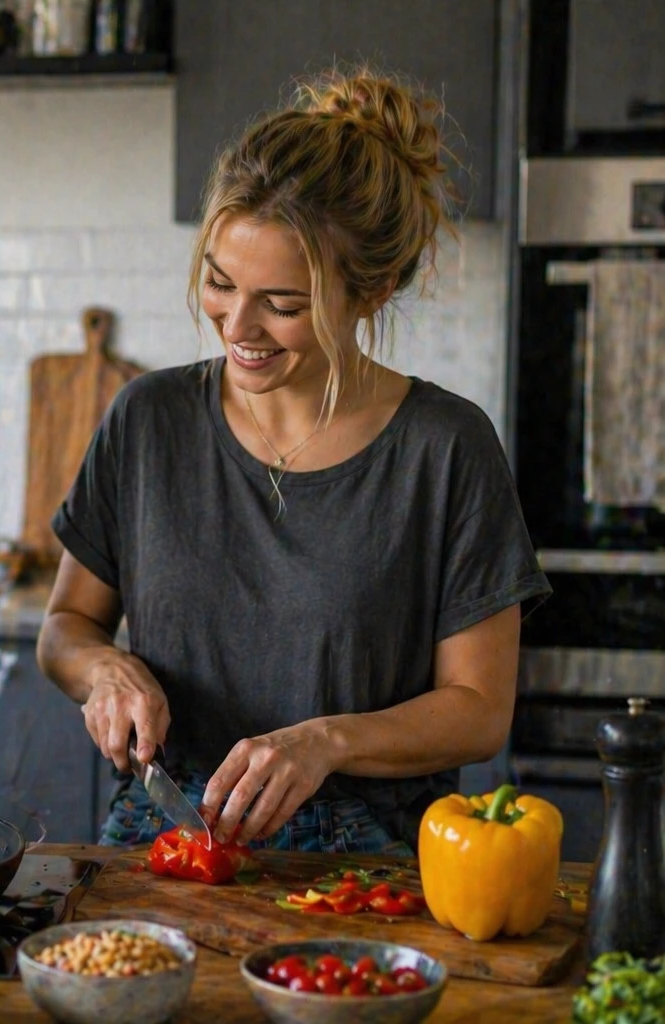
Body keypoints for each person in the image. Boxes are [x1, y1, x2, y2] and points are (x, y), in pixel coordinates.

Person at [37, 68, 551, 854]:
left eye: (283, 304)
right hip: (161, 832)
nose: (237, 325)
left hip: (372, 854)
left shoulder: (445, 449)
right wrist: (105, 671)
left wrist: (326, 743)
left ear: (369, 292)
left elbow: (480, 708)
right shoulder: (150, 420)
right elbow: (66, 628)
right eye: (218, 282)